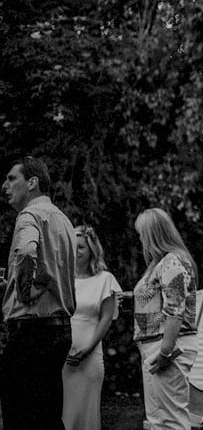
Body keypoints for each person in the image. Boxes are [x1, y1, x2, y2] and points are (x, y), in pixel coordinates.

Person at [0, 156, 77, 430]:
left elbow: (26, 251)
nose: (5, 186)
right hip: (59, 330)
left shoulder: (29, 215)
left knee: (20, 418)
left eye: (12, 179)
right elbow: (52, 273)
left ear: (32, 183)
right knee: (47, 418)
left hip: (30, 332)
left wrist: (22, 290)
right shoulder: (64, 220)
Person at [133, 208, 199, 429]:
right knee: (157, 421)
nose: (140, 239)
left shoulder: (172, 262)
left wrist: (164, 351)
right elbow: (160, 306)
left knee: (171, 421)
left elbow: (175, 308)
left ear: (153, 234)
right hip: (156, 345)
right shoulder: (160, 263)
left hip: (168, 346)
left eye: (142, 234)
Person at [63, 225, 122, 430]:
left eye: (80, 247)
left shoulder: (105, 280)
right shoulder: (63, 279)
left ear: (91, 250)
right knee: (63, 414)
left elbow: (106, 319)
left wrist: (86, 349)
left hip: (90, 357)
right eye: (72, 246)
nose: (75, 251)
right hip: (62, 356)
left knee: (86, 415)